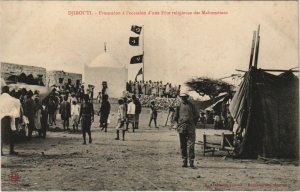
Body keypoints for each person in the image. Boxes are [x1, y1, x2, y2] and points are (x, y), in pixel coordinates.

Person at [174, 92, 199, 168]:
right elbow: (175, 117)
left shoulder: (192, 105)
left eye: (185, 97)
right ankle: (184, 161)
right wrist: (179, 124)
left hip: (191, 128)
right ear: (180, 97)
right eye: (182, 97)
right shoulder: (178, 106)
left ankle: (191, 162)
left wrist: (193, 124)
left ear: (187, 97)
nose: (183, 98)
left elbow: (197, 116)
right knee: (183, 145)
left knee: (191, 146)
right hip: (181, 128)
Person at [0, 86, 20, 155]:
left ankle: (0, 151)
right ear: (8, 91)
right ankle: (11, 150)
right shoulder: (12, 99)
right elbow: (17, 109)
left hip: (1, 118)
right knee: (12, 135)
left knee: (1, 135)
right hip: (9, 119)